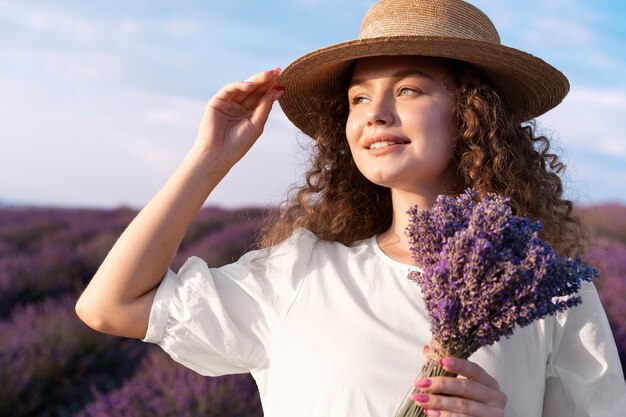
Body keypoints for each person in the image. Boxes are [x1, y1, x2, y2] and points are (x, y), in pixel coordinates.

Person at [76, 0, 626, 416]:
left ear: (473, 114)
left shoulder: (547, 291)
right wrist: (209, 158)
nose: (375, 114)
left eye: (409, 90)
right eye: (358, 97)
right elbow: (110, 307)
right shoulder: (300, 272)